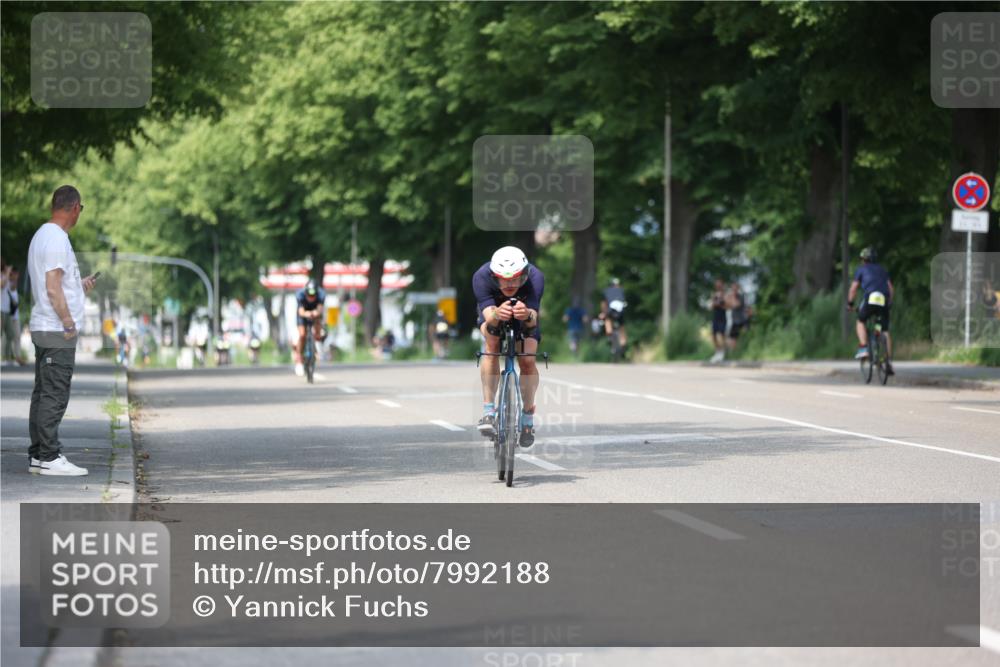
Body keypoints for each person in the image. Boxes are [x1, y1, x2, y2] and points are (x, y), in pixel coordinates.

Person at [27, 185, 97, 476]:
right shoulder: (57, 239)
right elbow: (53, 288)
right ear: (74, 208)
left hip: (44, 326)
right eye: (80, 209)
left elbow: (57, 285)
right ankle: (49, 456)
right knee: (55, 393)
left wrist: (78, 289)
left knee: (43, 393)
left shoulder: (42, 236)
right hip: (56, 329)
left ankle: (38, 455)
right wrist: (68, 323)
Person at [473, 246, 544, 448]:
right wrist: (497, 314)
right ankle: (489, 412)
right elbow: (488, 319)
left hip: (524, 316)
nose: (510, 283)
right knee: (492, 344)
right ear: (494, 276)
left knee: (528, 360)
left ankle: (527, 418)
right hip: (494, 314)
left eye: (515, 278)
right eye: (503, 279)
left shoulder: (535, 277)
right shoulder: (481, 277)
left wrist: (527, 314)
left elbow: (533, 320)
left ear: (524, 274)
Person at [847, 246, 894, 375]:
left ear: (864, 260)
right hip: (883, 299)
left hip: (870, 298)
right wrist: (889, 303)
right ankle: (887, 361)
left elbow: (853, 288)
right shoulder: (883, 270)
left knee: (861, 321)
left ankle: (863, 348)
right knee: (884, 330)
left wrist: (850, 304)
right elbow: (890, 288)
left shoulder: (861, 269)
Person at [293, 280, 325, 376]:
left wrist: (316, 313)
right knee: (302, 334)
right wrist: (306, 314)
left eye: (313, 296)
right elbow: (301, 311)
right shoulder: (300, 294)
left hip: (315, 311)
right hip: (303, 313)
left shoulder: (321, 294)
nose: (311, 298)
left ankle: (316, 343)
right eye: (309, 295)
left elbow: (319, 309)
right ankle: (299, 358)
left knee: (318, 324)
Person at [599, 278, 627, 350]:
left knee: (607, 319)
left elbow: (603, 304)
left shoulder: (606, 291)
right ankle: (623, 344)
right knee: (622, 327)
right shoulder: (621, 290)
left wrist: (603, 313)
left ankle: (609, 334)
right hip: (621, 310)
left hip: (611, 310)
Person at [726, 282, 750, 354]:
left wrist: (732, 297)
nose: (734, 289)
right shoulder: (730, 296)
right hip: (734, 320)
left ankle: (745, 351)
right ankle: (733, 353)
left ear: (738, 288)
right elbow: (727, 305)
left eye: (735, 288)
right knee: (732, 337)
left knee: (745, 336)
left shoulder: (741, 296)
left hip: (742, 320)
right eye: (732, 288)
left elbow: (736, 305)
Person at [709, 279, 727, 363]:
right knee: (713, 335)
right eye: (717, 284)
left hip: (722, 317)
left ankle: (722, 353)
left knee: (721, 335)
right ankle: (717, 352)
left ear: (722, 285)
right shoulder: (714, 295)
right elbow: (711, 306)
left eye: (719, 284)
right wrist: (715, 303)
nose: (718, 286)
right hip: (715, 317)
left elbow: (726, 305)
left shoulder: (725, 295)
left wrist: (719, 303)